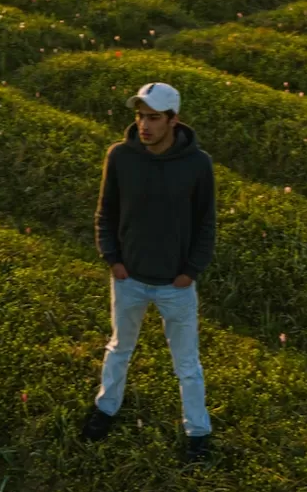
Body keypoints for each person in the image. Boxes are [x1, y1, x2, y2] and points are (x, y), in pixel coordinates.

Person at [82, 81, 216, 463]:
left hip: (176, 284)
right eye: (140, 117)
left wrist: (190, 271)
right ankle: (106, 410)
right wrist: (114, 260)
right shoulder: (120, 157)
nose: (144, 125)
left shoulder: (198, 165)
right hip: (129, 280)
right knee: (119, 348)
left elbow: (206, 223)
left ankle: (198, 433)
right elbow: (105, 213)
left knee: (187, 364)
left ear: (173, 120)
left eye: (154, 118)